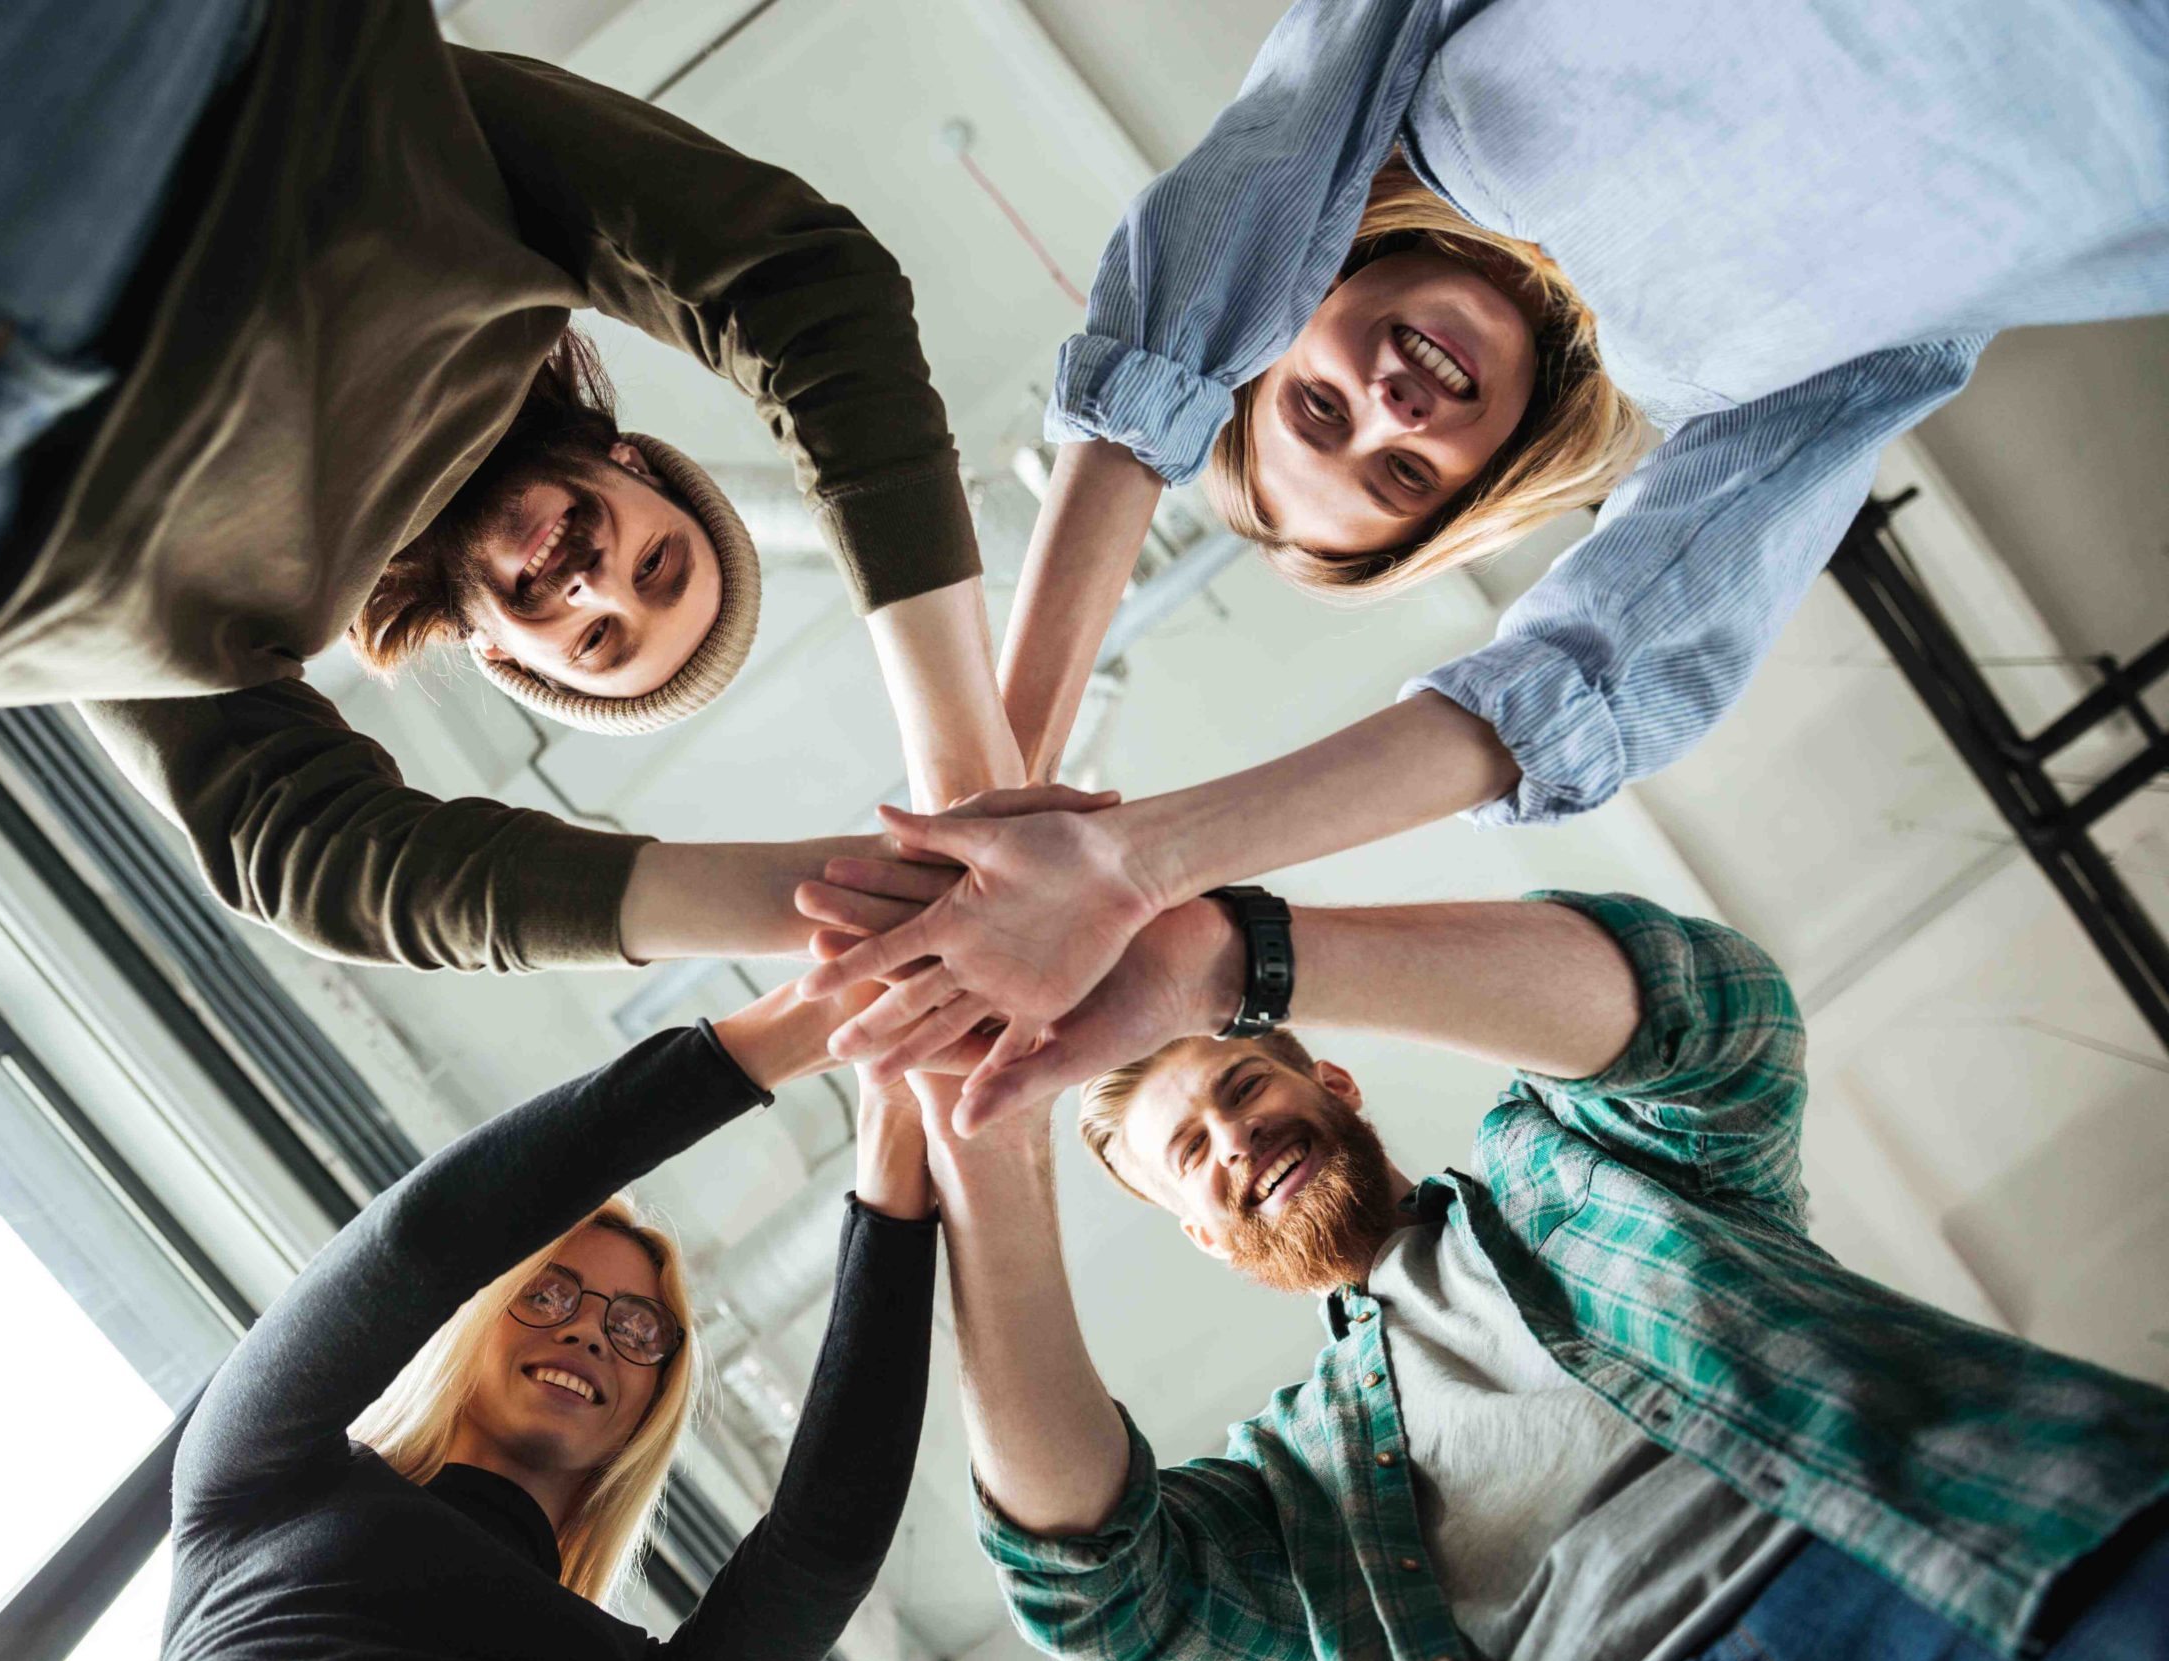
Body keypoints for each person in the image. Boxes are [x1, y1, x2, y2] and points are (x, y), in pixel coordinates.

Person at [796, 0, 2169, 1072]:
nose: (1389, 408)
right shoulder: (1736, 396)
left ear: (1296, 297)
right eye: (1403, 471)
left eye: (1317, 404)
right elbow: (1598, 673)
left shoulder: (1427, 94)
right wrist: (1132, 860)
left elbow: (1252, 195)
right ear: (1485, 483)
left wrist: (991, 788)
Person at [0, 0, 1022, 976]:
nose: (592, 579)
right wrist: (965, 777)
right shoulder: (508, 246)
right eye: (654, 562)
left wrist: (838, 908)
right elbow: (803, 286)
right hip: (131, 118)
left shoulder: (254, 638)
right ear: (635, 465)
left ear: (499, 652)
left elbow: (312, 856)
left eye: (593, 636)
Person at [908, 887, 2169, 1661]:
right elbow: (1101, 1597)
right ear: (1199, 1235)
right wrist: (981, 1150)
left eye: (1240, 1088)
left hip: (1953, 1561)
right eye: (1191, 1154)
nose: (1232, 1141)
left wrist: (1230, 968)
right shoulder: (1299, 1488)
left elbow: (1719, 1016)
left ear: (1334, 1086)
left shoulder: (1575, 1163)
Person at [152, 974, 940, 1661]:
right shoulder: (256, 1484)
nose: (589, 1330)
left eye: (636, 1328)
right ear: (474, 1319)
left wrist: (902, 1113)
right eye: (547, 1293)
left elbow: (821, 1552)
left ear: (650, 1408)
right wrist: (807, 1022)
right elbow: (416, 1246)